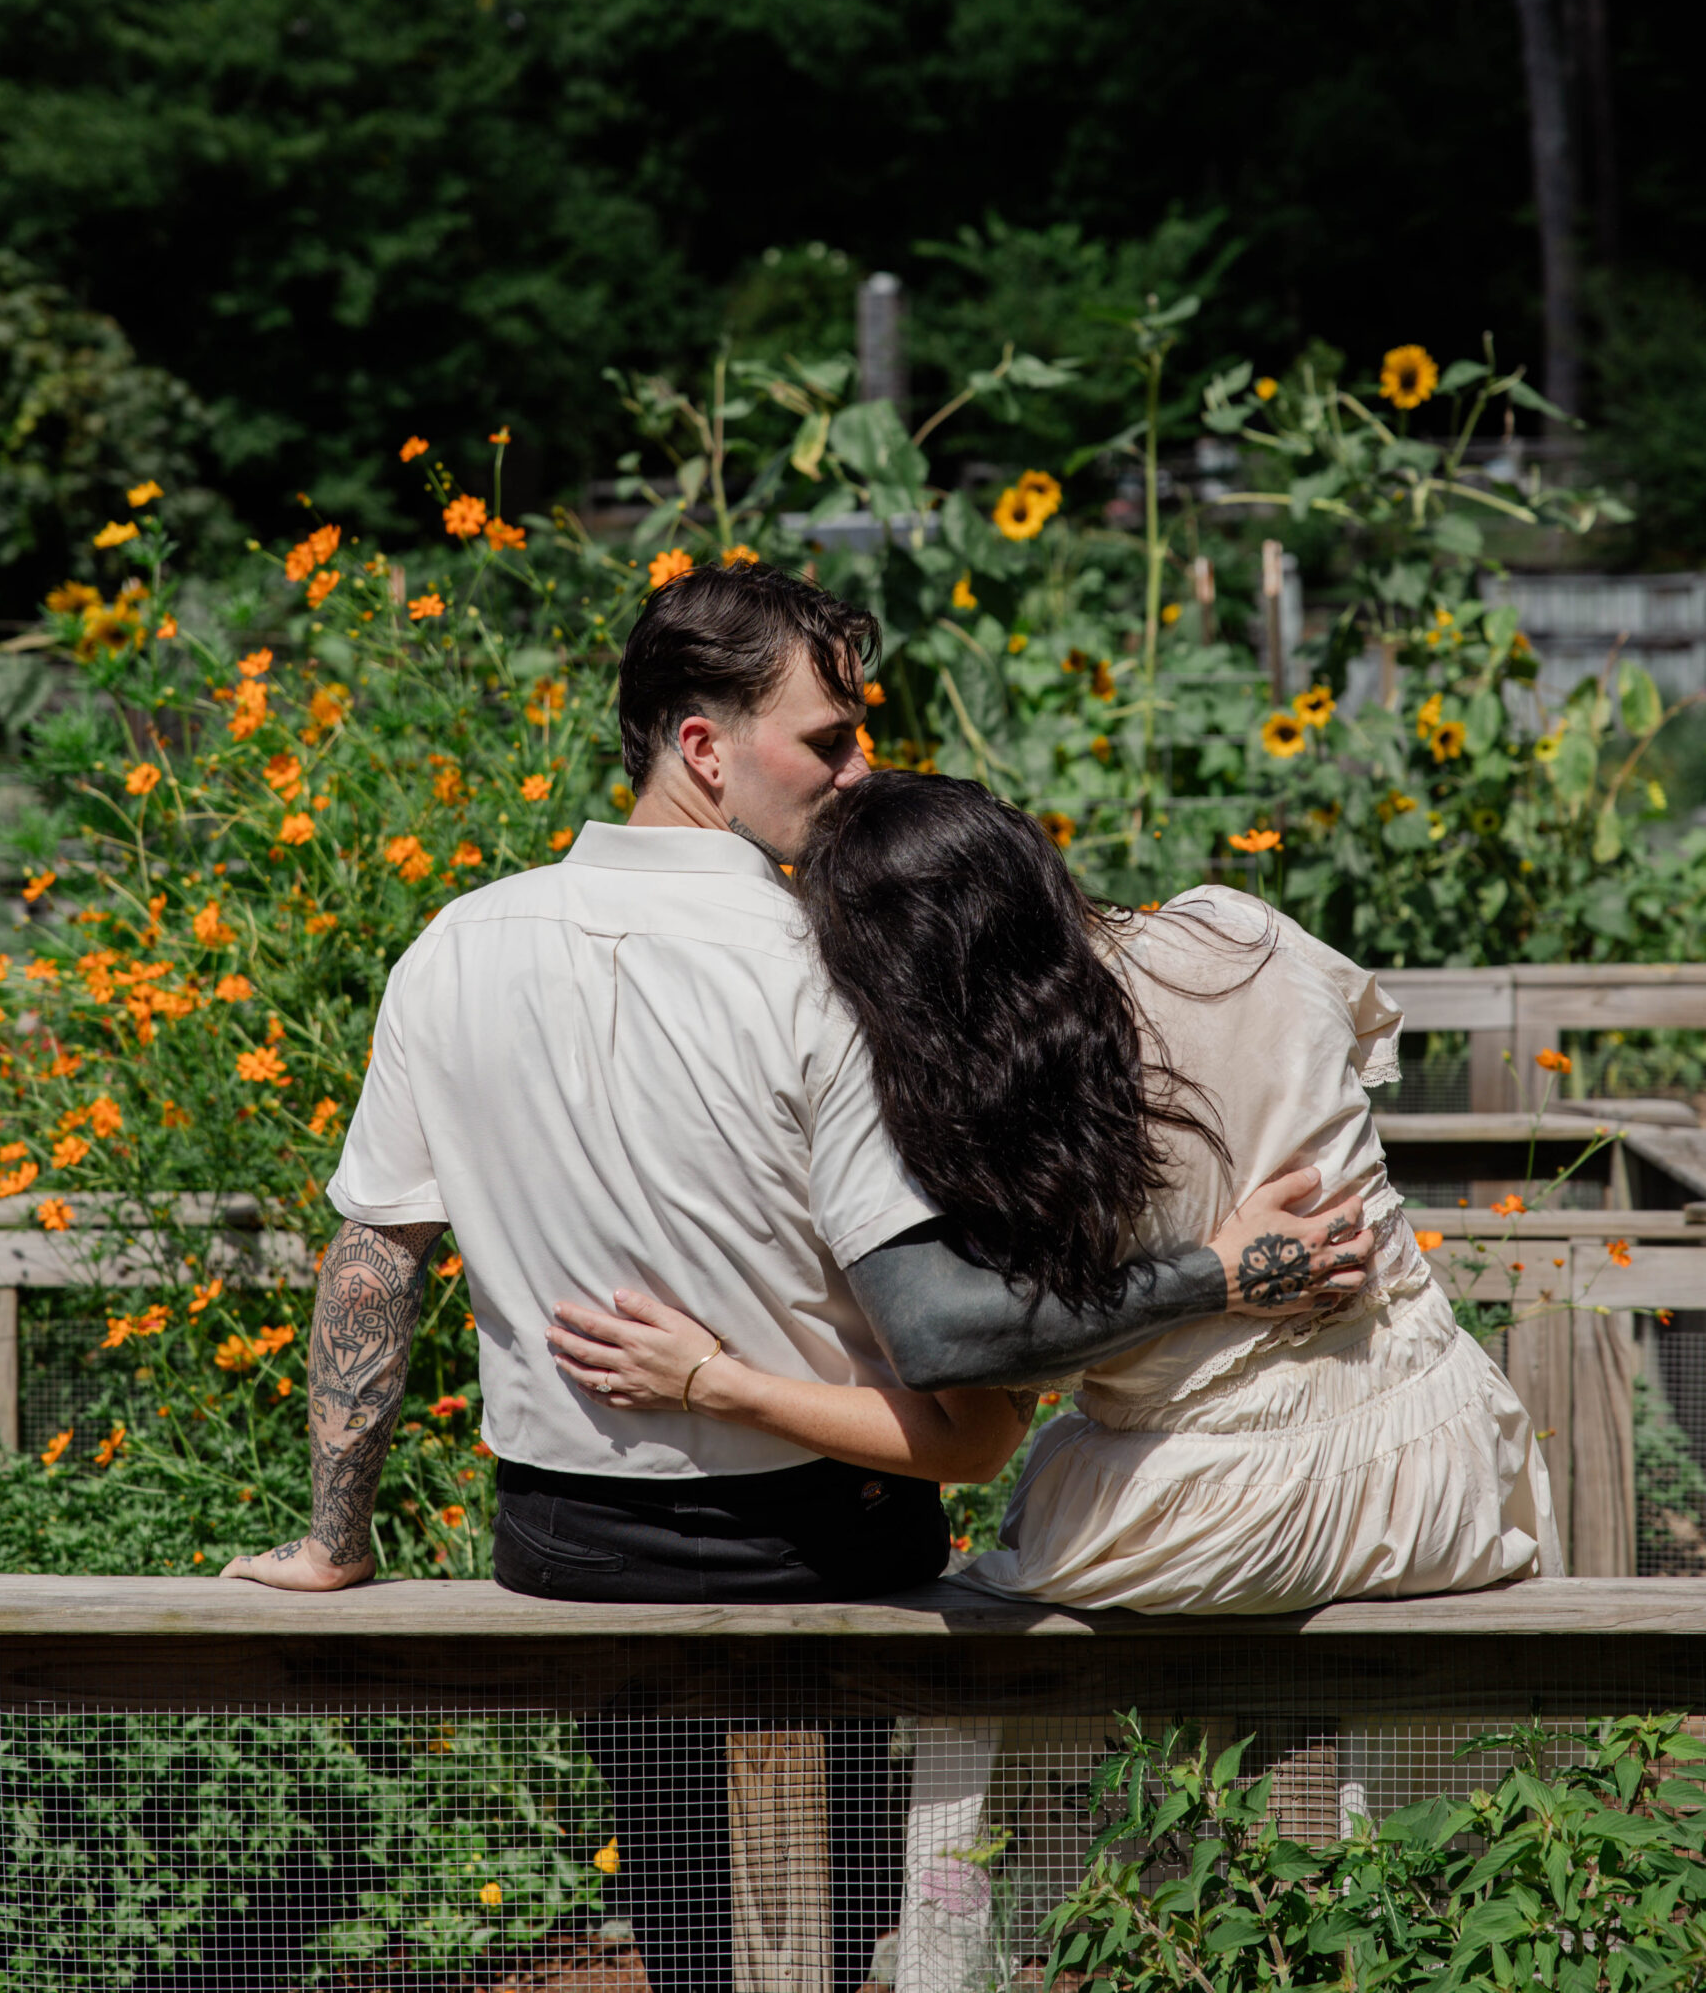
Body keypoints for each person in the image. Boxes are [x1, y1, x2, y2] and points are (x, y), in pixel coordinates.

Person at [221, 566, 1372, 1993]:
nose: (857, 765)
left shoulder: (452, 944)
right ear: (699, 748)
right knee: (827, 1936)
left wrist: (337, 1536)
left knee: (687, 1921)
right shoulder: (824, 972)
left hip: (568, 1551)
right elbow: (950, 1340)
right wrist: (1215, 1267)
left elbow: (373, 1262)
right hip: (827, 1547)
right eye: (827, 738)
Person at [547, 767, 1561, 1615]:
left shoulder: (1003, 1117)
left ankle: (950, 1866)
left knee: (960, 1669)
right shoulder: (1243, 931)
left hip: (1210, 1513)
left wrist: (1214, 1278)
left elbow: (955, 1372)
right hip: (1449, 1470)